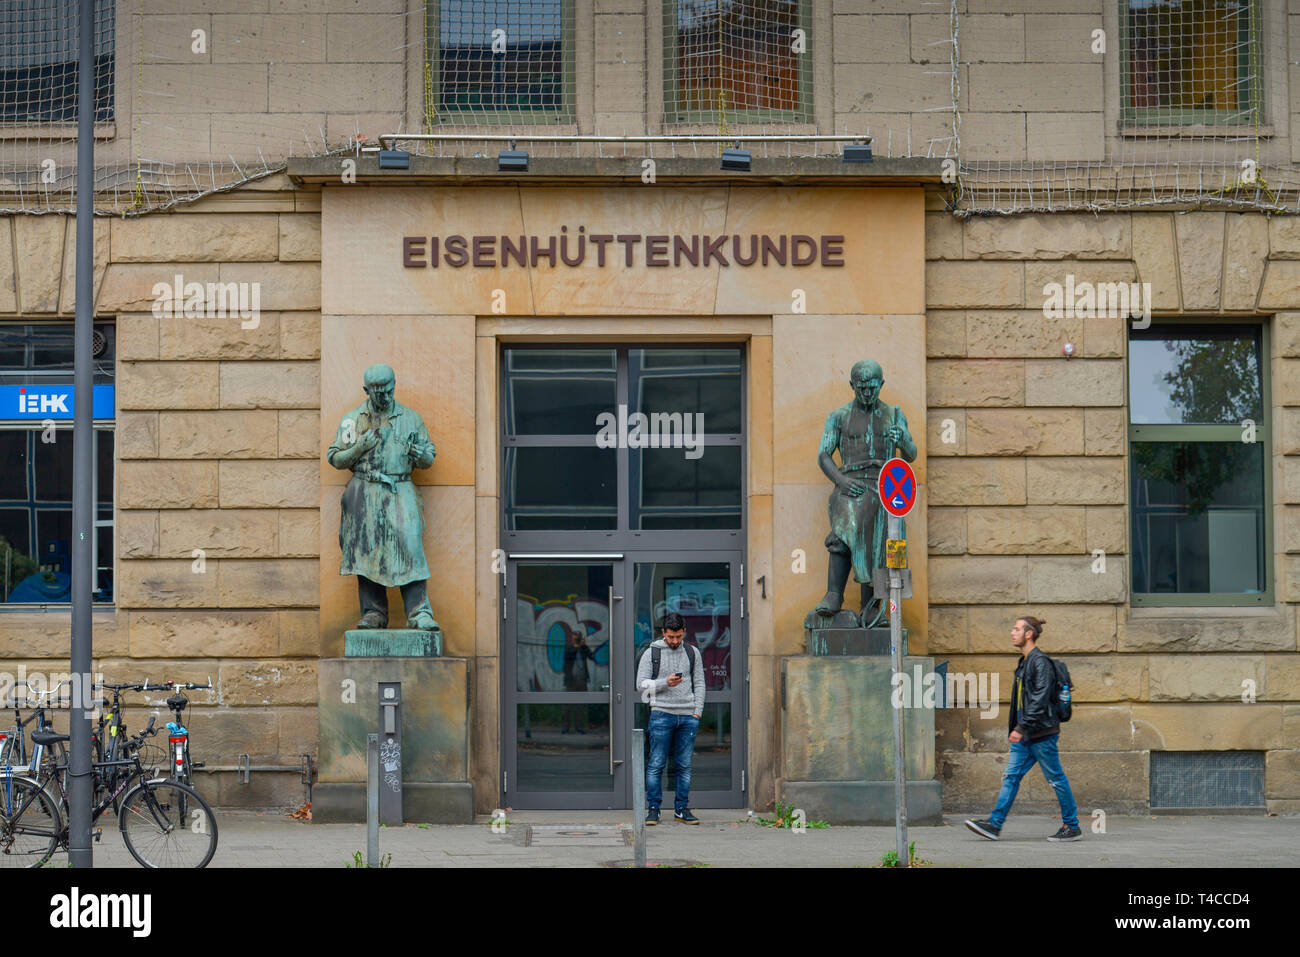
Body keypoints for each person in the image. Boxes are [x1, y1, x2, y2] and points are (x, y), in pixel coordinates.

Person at [326, 364, 439, 631]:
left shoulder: (410, 418)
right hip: (364, 490)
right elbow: (335, 458)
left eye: (388, 391)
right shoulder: (353, 420)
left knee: (410, 548)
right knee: (366, 553)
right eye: (378, 392)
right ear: (367, 391)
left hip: (401, 489)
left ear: (394, 386)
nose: (384, 397)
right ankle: (373, 613)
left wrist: (419, 454)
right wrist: (358, 447)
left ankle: (419, 612)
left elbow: (429, 457)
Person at [814, 359, 917, 627]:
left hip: (885, 486)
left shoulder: (895, 415)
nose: (868, 393)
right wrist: (840, 480)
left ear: (881, 385)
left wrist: (902, 440)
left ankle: (872, 607)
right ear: (852, 385)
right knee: (844, 524)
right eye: (862, 388)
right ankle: (834, 594)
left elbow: (911, 454)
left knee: (881, 537)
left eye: (873, 387)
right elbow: (824, 455)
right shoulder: (838, 417)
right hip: (850, 483)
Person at [965, 616, 1082, 842]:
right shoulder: (1025, 662)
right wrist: (1019, 729)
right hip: (1026, 734)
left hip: (1041, 733)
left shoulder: (1040, 662)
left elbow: (1040, 699)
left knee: (1056, 778)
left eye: (1017, 629)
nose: (1012, 632)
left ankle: (1072, 826)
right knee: (1011, 777)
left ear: (1029, 634)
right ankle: (994, 825)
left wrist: (1021, 727)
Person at [636, 611, 706, 826]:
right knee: (656, 764)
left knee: (683, 766)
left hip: (687, 716)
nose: (675, 641)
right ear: (663, 633)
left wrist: (697, 712)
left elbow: (700, 683)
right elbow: (641, 685)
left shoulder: (692, 652)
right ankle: (653, 809)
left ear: (684, 632)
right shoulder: (652, 652)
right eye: (670, 637)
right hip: (661, 714)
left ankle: (682, 809)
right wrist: (665, 682)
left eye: (678, 636)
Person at [560, 623, 595, 734]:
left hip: (582, 681)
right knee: (567, 706)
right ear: (572, 638)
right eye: (576, 638)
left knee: (580, 706)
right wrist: (578, 646)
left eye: (578, 638)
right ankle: (566, 727)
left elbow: (591, 657)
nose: (577, 640)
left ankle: (579, 727)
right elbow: (568, 657)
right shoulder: (569, 648)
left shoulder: (583, 648)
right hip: (571, 681)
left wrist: (584, 646)